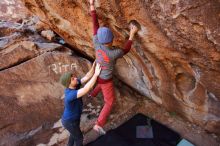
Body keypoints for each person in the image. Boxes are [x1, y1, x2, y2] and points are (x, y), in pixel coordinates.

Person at [89, 0, 139, 135]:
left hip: (98, 72)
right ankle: (98, 124)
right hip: (106, 79)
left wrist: (92, 6)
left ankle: (92, 93)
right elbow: (126, 49)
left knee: (99, 80)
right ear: (111, 40)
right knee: (109, 102)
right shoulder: (113, 53)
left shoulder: (96, 42)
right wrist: (132, 34)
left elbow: (95, 25)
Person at [59, 62, 101, 146]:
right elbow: (86, 88)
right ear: (68, 84)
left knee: (73, 135)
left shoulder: (75, 84)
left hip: (72, 120)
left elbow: (86, 77)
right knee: (79, 138)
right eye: (72, 79)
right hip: (70, 121)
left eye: (73, 76)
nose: (75, 78)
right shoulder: (70, 95)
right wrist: (96, 75)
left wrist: (93, 67)